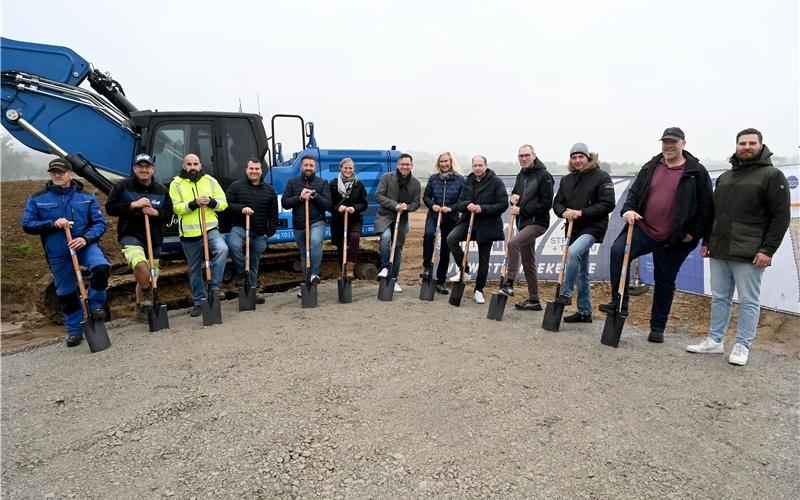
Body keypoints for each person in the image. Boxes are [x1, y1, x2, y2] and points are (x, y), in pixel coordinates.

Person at [599, 127, 713, 343]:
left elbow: (706, 207)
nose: (668, 146)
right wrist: (628, 210)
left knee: (664, 280)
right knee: (617, 252)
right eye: (665, 142)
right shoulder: (651, 166)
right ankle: (619, 302)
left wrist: (694, 234)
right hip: (644, 229)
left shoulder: (696, 172)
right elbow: (634, 194)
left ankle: (657, 327)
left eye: (673, 142)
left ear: (683, 144)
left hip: (675, 238)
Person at [687, 128, 790, 365]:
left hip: (750, 253)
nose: (746, 147)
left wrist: (768, 250)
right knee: (720, 297)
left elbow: (780, 217)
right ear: (736, 147)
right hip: (720, 249)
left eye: (751, 143)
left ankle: (742, 346)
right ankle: (715, 341)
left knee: (748, 300)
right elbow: (714, 213)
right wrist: (707, 241)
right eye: (742, 143)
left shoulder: (772, 176)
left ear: (761, 146)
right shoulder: (725, 177)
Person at [21, 158, 111, 347]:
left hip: (84, 246)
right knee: (66, 293)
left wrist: (86, 238)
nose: (57, 175)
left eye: (61, 172)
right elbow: (27, 224)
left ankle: (95, 306)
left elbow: (100, 223)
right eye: (53, 172)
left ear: (71, 174)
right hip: (58, 251)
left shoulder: (86, 196)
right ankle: (74, 331)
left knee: (101, 267)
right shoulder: (38, 198)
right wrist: (52, 223)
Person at [551, 143, 615, 323]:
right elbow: (557, 203)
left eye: (581, 157)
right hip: (573, 229)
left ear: (588, 157)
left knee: (573, 252)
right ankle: (585, 311)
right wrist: (563, 212)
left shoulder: (601, 177)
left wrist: (582, 212)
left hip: (593, 227)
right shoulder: (567, 180)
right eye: (574, 157)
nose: (577, 160)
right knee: (582, 272)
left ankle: (565, 292)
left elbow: (608, 203)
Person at [105, 153, 172, 323]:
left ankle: (139, 308)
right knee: (140, 265)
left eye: (147, 166)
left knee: (149, 274)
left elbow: (169, 214)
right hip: (130, 235)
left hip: (154, 238)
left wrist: (156, 212)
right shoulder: (122, 186)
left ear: (152, 169)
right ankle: (149, 292)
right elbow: (110, 208)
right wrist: (133, 205)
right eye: (140, 166)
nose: (144, 169)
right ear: (135, 168)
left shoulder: (162, 190)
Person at [169, 153, 229, 317]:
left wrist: (211, 202)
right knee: (194, 269)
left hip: (209, 229)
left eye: (196, 163)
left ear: (201, 166)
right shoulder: (177, 184)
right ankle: (199, 302)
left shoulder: (210, 181)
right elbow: (177, 208)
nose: (193, 167)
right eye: (189, 164)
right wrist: (194, 203)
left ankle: (215, 288)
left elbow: (223, 204)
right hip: (189, 233)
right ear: (184, 166)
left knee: (222, 250)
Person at [498, 144, 554, 311]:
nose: (523, 158)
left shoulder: (544, 176)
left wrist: (522, 209)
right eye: (520, 156)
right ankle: (534, 300)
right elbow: (515, 197)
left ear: (534, 156)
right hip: (523, 224)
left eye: (526, 155)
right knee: (529, 262)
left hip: (538, 223)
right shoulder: (521, 176)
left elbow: (546, 204)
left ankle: (508, 282)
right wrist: (513, 199)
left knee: (513, 244)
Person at [447, 155, 508, 304]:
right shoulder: (468, 181)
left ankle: (479, 290)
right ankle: (465, 270)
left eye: (480, 165)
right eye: (475, 166)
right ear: (472, 166)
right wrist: (467, 204)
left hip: (487, 224)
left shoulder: (496, 182)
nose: (478, 168)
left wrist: (483, 208)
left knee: (484, 259)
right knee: (451, 238)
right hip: (469, 221)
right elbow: (460, 202)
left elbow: (503, 204)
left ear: (486, 166)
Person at [225, 158, 279, 304]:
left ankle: (252, 290)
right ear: (246, 170)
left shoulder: (269, 191)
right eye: (251, 168)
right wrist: (241, 208)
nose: (254, 171)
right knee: (234, 245)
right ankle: (243, 274)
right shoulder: (236, 186)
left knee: (254, 260)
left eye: (257, 169)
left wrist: (270, 232)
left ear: (261, 171)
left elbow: (273, 214)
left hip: (259, 231)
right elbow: (227, 205)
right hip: (240, 227)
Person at [281, 155, 332, 284]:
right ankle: (308, 283)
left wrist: (314, 195)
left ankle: (314, 273)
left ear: (315, 167)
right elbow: (285, 203)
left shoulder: (322, 183)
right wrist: (300, 197)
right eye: (306, 165)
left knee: (315, 243)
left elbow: (327, 204)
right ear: (301, 167)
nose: (308, 168)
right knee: (304, 254)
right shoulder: (292, 182)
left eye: (311, 165)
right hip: (299, 223)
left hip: (317, 221)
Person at [375, 153, 421, 293]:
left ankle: (393, 279)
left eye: (407, 164)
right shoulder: (387, 178)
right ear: (398, 165)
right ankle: (384, 267)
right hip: (385, 216)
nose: (405, 167)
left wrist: (407, 207)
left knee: (398, 248)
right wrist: (394, 205)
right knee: (386, 238)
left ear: (411, 166)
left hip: (402, 219)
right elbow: (378, 195)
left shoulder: (415, 183)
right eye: (402, 164)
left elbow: (416, 203)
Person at [422, 152, 465, 294]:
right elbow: (426, 196)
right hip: (434, 215)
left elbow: (462, 200)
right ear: (438, 163)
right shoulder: (433, 178)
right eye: (441, 161)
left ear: (451, 162)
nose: (444, 164)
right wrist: (432, 205)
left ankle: (440, 281)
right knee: (428, 235)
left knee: (446, 249)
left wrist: (452, 207)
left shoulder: (460, 179)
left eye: (446, 161)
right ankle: (427, 267)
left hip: (451, 217)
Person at [329, 157, 368, 279]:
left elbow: (364, 204)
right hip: (338, 221)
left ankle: (350, 268)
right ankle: (343, 272)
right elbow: (328, 203)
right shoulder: (333, 184)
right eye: (346, 168)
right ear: (341, 168)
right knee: (341, 246)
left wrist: (354, 208)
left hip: (354, 219)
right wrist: (337, 208)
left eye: (350, 168)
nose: (348, 170)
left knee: (355, 238)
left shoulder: (359, 185)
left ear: (354, 169)